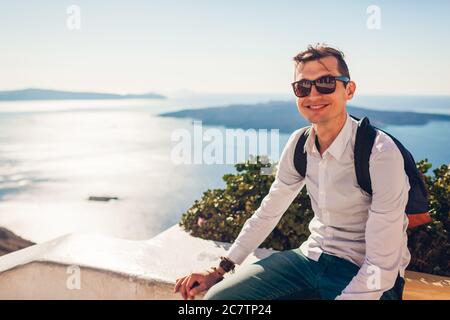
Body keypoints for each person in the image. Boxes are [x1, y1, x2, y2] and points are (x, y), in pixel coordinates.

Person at [173, 44, 409, 300]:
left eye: (326, 83)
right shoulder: (300, 144)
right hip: (311, 259)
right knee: (218, 300)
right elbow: (269, 210)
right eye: (303, 87)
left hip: (367, 275)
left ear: (349, 90)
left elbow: (380, 267)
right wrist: (220, 270)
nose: (313, 94)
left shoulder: (379, 152)